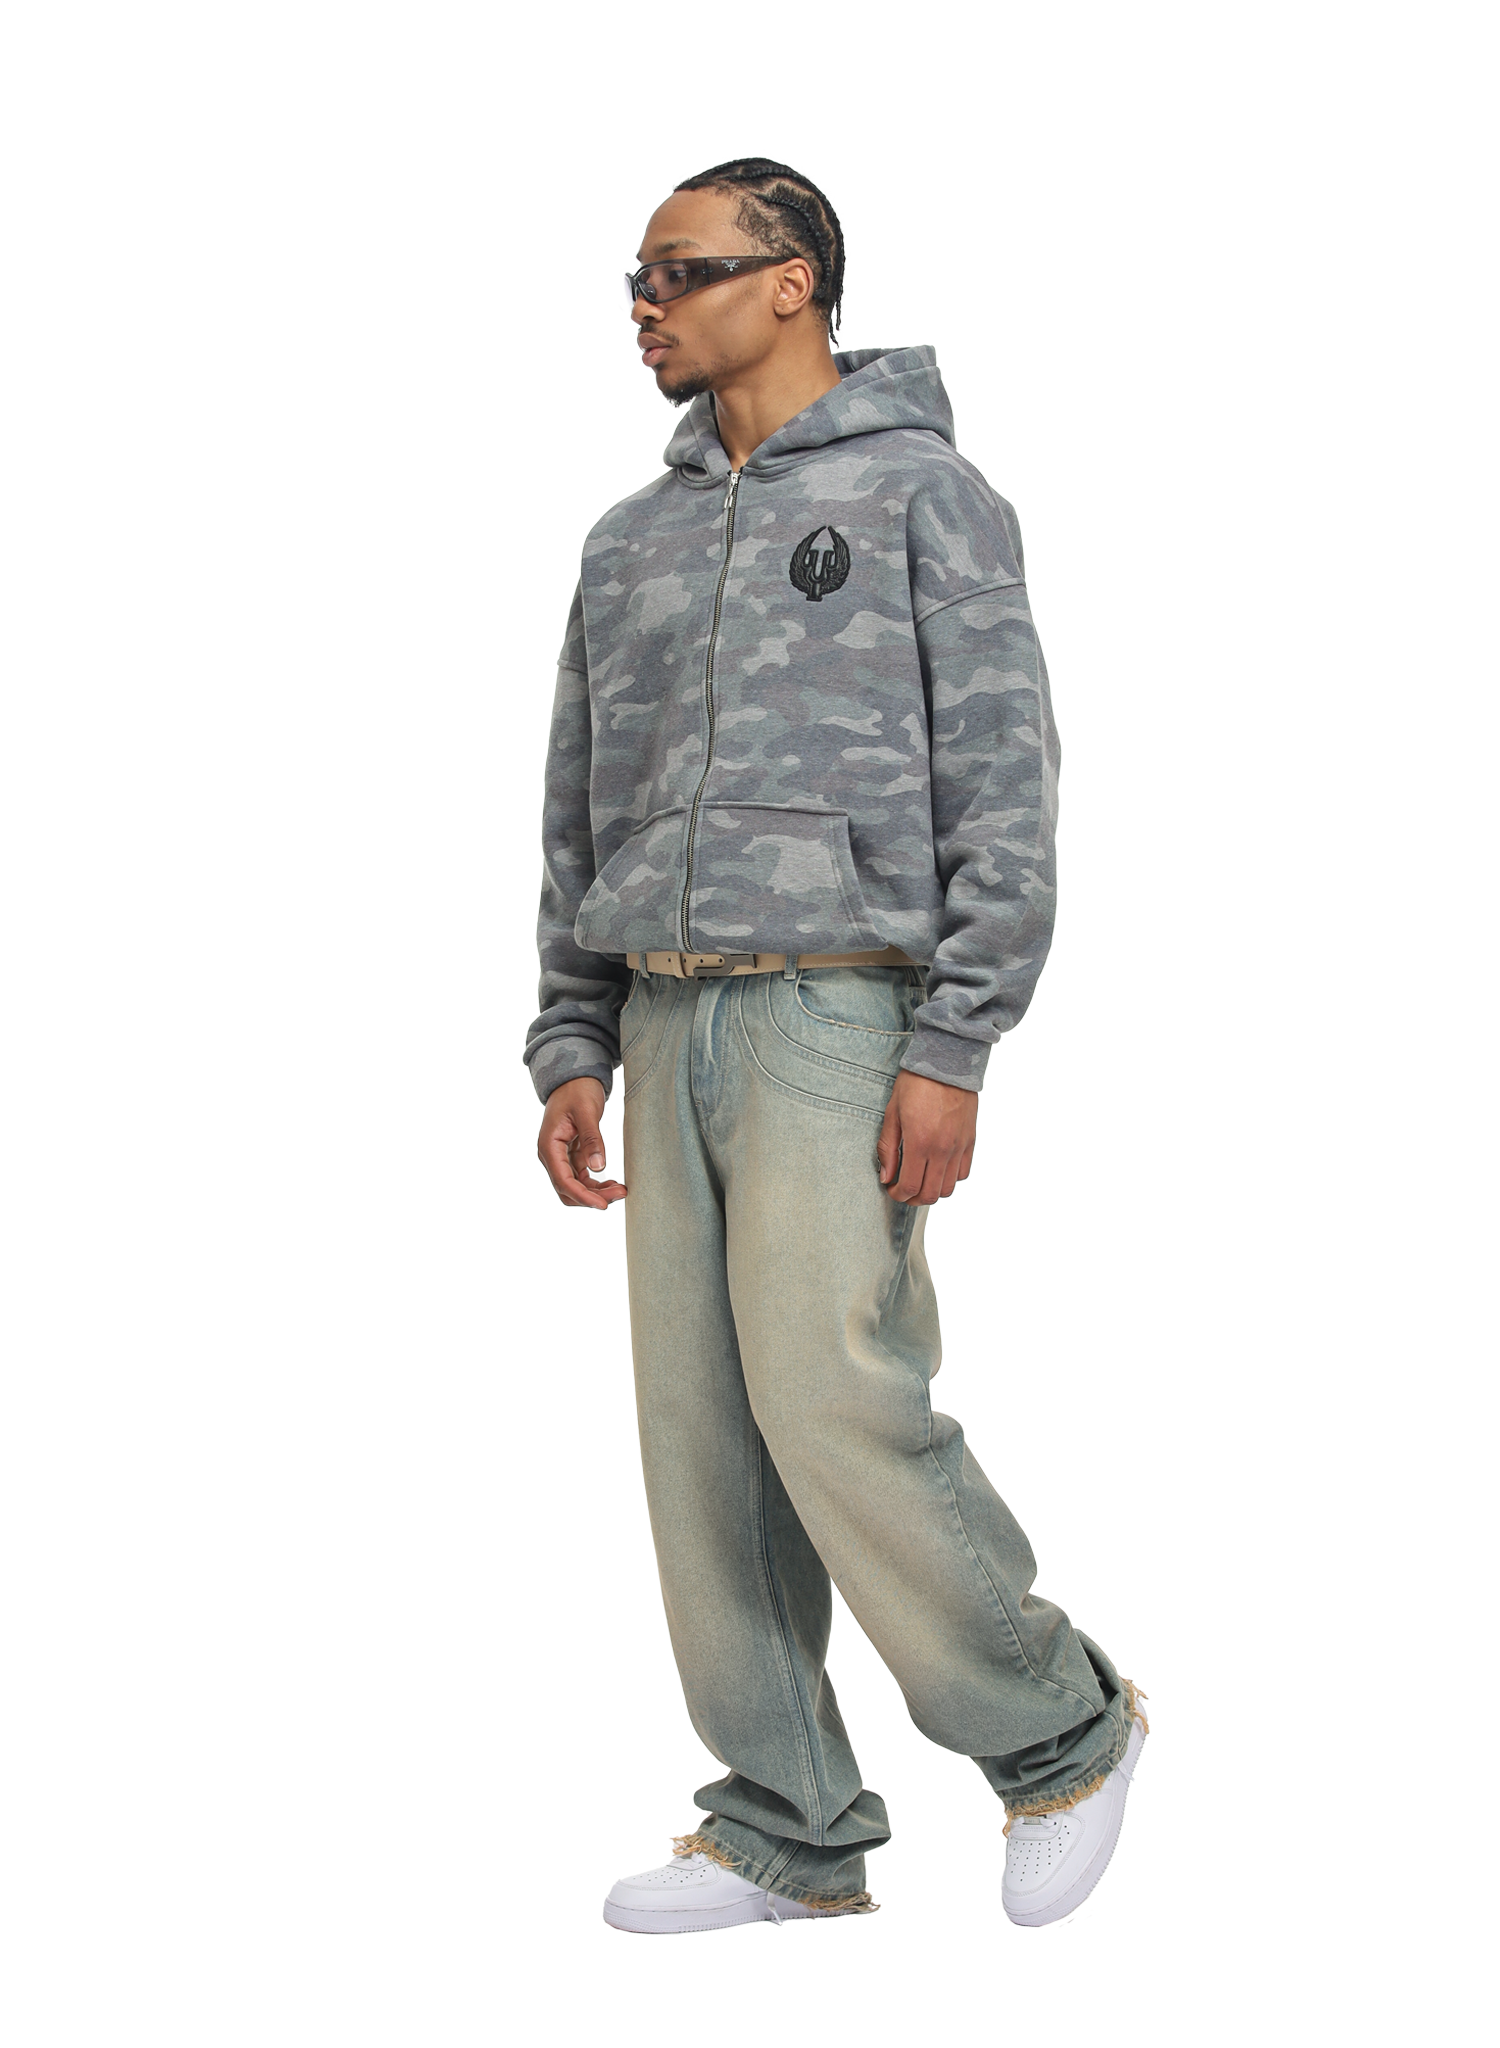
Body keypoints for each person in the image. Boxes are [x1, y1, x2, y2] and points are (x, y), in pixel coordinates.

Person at [526, 157, 1146, 1934]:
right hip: (661, 1011)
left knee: (832, 1397)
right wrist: (571, 1032)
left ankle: (1062, 1727)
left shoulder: (927, 497)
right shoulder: (625, 541)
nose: (643, 303)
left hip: (838, 1013)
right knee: (699, 1435)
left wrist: (956, 1040)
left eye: (679, 271)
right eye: (633, 275)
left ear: (790, 278)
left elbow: (1007, 787)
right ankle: (787, 1828)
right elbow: (581, 803)